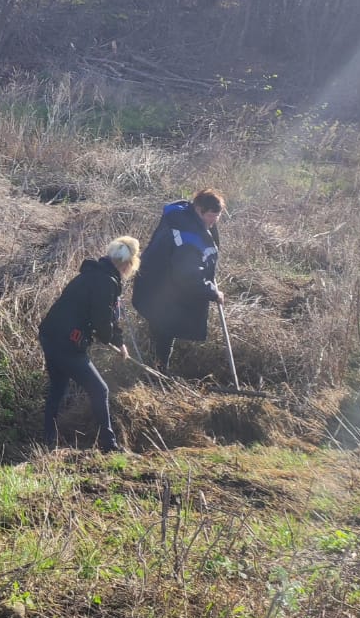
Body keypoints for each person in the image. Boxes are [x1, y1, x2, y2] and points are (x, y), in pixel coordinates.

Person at [38, 237, 140, 451]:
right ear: (127, 264)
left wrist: (117, 340)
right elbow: (103, 321)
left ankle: (48, 441)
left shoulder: (92, 274)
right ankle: (108, 444)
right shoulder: (106, 282)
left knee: (58, 388)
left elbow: (104, 318)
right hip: (67, 342)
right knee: (100, 390)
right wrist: (112, 340)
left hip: (50, 335)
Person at [132, 189, 225, 370]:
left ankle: (156, 365)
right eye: (211, 216)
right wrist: (213, 292)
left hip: (158, 281)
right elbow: (188, 276)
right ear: (198, 209)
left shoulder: (181, 214)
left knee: (162, 326)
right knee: (165, 328)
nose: (214, 222)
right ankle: (158, 370)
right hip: (164, 286)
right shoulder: (188, 236)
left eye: (217, 216)